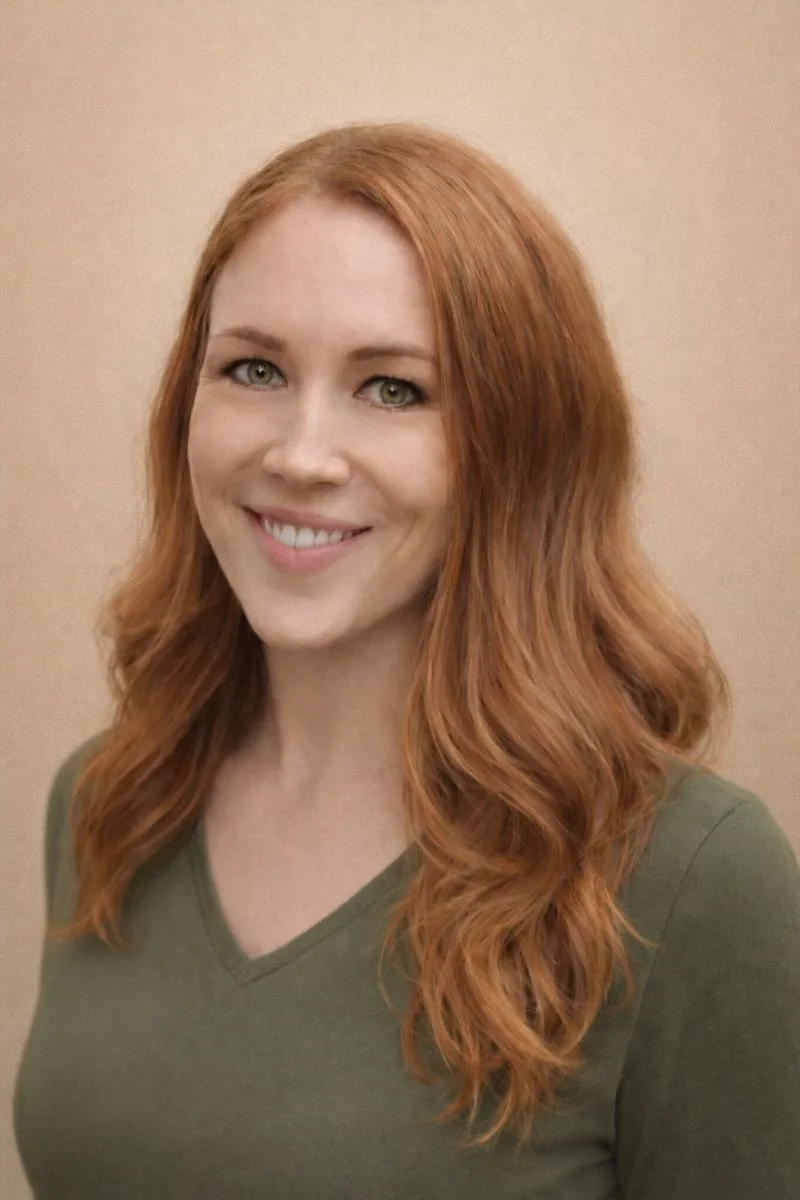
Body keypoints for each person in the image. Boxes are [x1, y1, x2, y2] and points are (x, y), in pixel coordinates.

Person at [12, 121, 800, 1199]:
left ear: (517, 448)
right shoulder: (108, 800)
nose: (297, 454)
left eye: (392, 389)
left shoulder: (693, 880)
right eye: (252, 368)